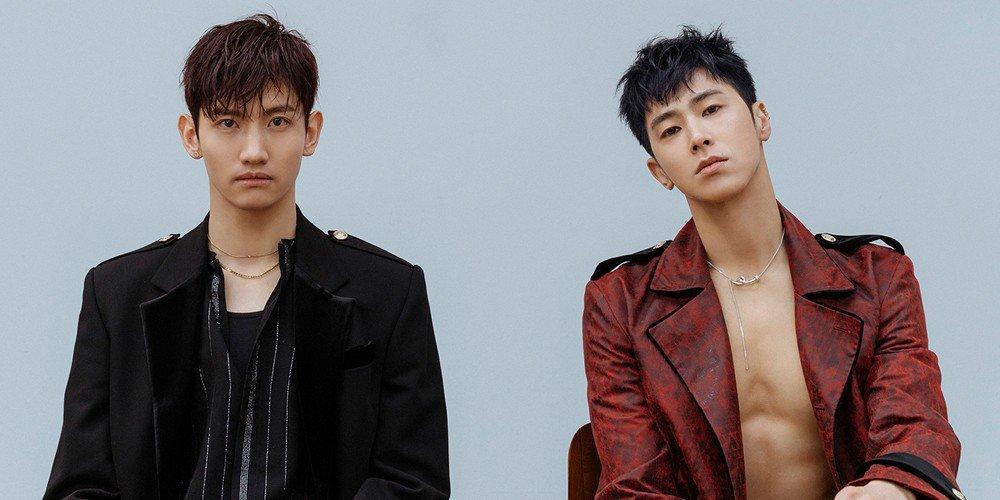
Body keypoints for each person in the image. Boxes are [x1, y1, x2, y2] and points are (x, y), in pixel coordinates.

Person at [45, 13, 448, 499]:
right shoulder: (116, 295)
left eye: (277, 121)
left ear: (311, 131)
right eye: (228, 122)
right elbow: (81, 485)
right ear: (191, 135)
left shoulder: (388, 292)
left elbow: (412, 482)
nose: (254, 150)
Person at [582, 25, 962, 500]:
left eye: (711, 109)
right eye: (671, 130)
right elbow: (635, 484)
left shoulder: (876, 277)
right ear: (659, 172)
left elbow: (916, 423)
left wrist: (891, 487)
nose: (698, 137)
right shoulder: (620, 303)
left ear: (761, 119)